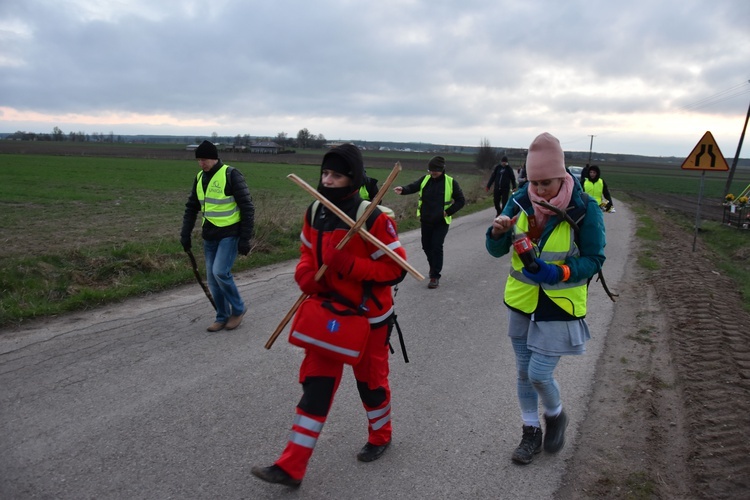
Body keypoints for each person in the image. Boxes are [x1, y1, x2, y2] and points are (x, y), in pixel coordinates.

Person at [251, 144, 407, 488]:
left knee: (371, 384)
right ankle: (291, 467)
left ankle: (381, 435)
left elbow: (397, 269)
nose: (327, 180)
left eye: (336, 175)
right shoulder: (315, 210)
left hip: (369, 320)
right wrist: (305, 274)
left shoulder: (374, 217)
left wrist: (350, 265)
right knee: (316, 388)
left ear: (352, 178)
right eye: (325, 173)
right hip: (326, 315)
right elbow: (307, 252)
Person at [485, 132, 605, 465]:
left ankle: (556, 414)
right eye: (534, 182)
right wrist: (497, 233)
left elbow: (595, 259)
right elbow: (496, 249)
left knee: (539, 373)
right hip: (522, 302)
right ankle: (529, 432)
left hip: (559, 307)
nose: (538, 191)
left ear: (562, 175)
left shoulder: (584, 208)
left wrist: (559, 273)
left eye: (546, 183)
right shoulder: (521, 198)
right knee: (523, 374)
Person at [180, 140, 255, 332]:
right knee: (212, 279)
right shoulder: (199, 178)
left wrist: (245, 238)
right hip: (210, 234)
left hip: (230, 233)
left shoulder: (231, 174)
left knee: (220, 272)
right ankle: (221, 316)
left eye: (204, 159)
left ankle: (238, 309)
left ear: (214, 158)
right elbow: (191, 207)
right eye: (199, 160)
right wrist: (185, 233)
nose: (201, 163)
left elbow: (247, 207)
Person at [393, 156, 465, 289]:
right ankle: (433, 267)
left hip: (441, 221)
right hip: (426, 220)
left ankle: (435, 276)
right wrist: (402, 190)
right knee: (426, 247)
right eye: (431, 170)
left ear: (442, 169)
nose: (432, 173)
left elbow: (461, 200)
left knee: (436, 246)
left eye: (435, 170)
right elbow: (413, 187)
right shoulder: (425, 179)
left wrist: (448, 212)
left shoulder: (450, 182)